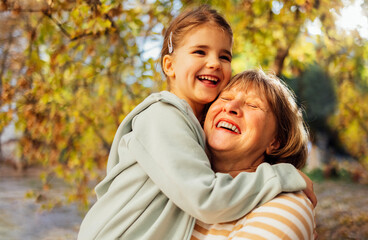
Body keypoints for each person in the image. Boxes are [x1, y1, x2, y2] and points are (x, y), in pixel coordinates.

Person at [78, 6, 315, 240]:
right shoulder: (162, 117)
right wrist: (282, 176)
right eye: (200, 52)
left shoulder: (191, 129)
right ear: (169, 65)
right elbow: (205, 198)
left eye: (224, 56)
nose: (214, 63)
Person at [191, 69, 315, 240]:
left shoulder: (287, 206)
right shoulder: (180, 183)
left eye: (253, 105)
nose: (230, 107)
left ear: (275, 141)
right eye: (225, 98)